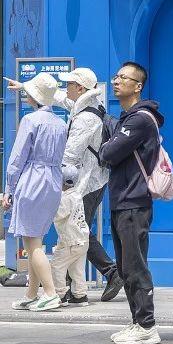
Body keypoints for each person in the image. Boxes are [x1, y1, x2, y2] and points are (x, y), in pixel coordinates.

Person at [97, 62, 164, 344]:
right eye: (116, 76)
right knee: (126, 267)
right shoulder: (127, 119)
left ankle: (147, 325)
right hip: (123, 200)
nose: (116, 81)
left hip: (133, 203)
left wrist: (106, 146)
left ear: (138, 86)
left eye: (123, 78)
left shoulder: (139, 120)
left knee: (135, 266)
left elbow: (108, 153)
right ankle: (138, 322)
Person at [2, 73, 68, 313]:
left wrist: (9, 189)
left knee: (32, 242)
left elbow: (17, 159)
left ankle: (50, 292)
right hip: (53, 181)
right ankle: (31, 293)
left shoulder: (30, 120)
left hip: (32, 179)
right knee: (36, 238)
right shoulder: (60, 123)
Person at [58, 66, 123, 302]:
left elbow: (70, 154)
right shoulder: (89, 106)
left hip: (86, 183)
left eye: (69, 84)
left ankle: (111, 272)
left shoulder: (85, 118)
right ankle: (72, 288)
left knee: (76, 231)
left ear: (80, 88)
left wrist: (59, 179)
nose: (65, 88)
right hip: (92, 181)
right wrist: (26, 87)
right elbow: (62, 99)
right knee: (74, 231)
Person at [51, 164, 91, 306]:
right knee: (77, 268)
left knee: (57, 266)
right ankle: (80, 295)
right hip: (83, 238)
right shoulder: (77, 195)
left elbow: (58, 215)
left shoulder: (64, 198)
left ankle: (60, 294)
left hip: (70, 241)